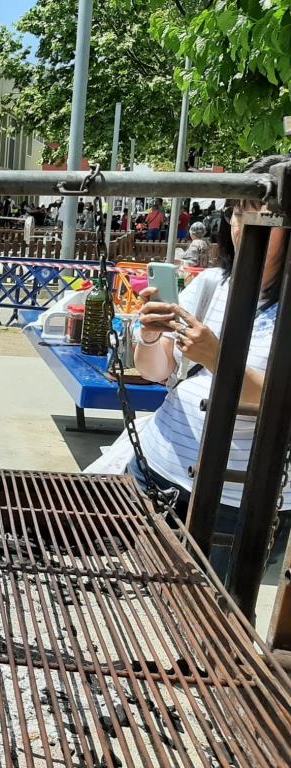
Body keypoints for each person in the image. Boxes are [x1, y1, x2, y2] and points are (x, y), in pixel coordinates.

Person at [131, 154, 291, 582]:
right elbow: (154, 370)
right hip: (159, 465)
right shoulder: (212, 284)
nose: (243, 227)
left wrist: (217, 358)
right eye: (238, 213)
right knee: (151, 596)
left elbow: (280, 397)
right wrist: (150, 337)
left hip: (238, 498)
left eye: (263, 217)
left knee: (215, 617)